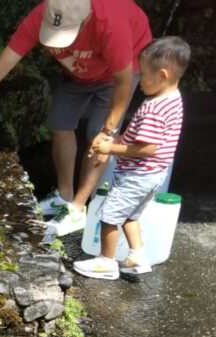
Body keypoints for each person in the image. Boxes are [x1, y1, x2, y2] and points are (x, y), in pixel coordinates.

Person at [0, 0, 151, 239]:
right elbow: (3, 64)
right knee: (59, 120)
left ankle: (78, 207)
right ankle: (64, 196)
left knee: (96, 136)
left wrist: (108, 132)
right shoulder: (42, 14)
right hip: (81, 73)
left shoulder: (111, 23)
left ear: (85, 21)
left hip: (118, 74)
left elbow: (123, 80)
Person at [72, 37, 189, 279]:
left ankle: (106, 263)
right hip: (153, 175)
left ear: (163, 75)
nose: (140, 81)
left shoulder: (154, 109)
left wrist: (110, 150)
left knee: (109, 216)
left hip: (138, 175)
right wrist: (115, 139)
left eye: (144, 74)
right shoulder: (173, 100)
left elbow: (147, 148)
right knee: (130, 215)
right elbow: (139, 138)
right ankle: (137, 257)